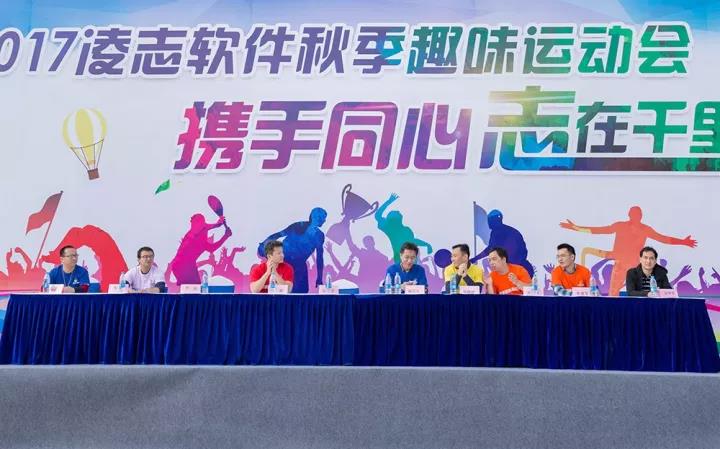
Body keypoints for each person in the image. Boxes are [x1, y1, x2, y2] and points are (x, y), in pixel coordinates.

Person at [259, 207, 326, 293]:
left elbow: (319, 257)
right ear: (316, 217)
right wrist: (264, 243)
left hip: (299, 266)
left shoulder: (319, 235)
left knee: (301, 292)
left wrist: (319, 277)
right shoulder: (298, 225)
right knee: (281, 290)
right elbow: (279, 234)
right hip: (285, 262)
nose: (324, 221)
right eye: (323, 218)